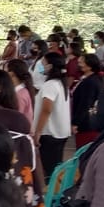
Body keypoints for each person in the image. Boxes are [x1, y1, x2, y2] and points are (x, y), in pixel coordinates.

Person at [35, 50, 73, 179]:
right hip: (61, 132)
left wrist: (37, 132)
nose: (40, 66)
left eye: (43, 63)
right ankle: (57, 193)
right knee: (55, 166)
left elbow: (46, 109)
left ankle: (52, 195)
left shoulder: (50, 85)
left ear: (50, 66)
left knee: (49, 168)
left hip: (50, 133)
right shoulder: (61, 84)